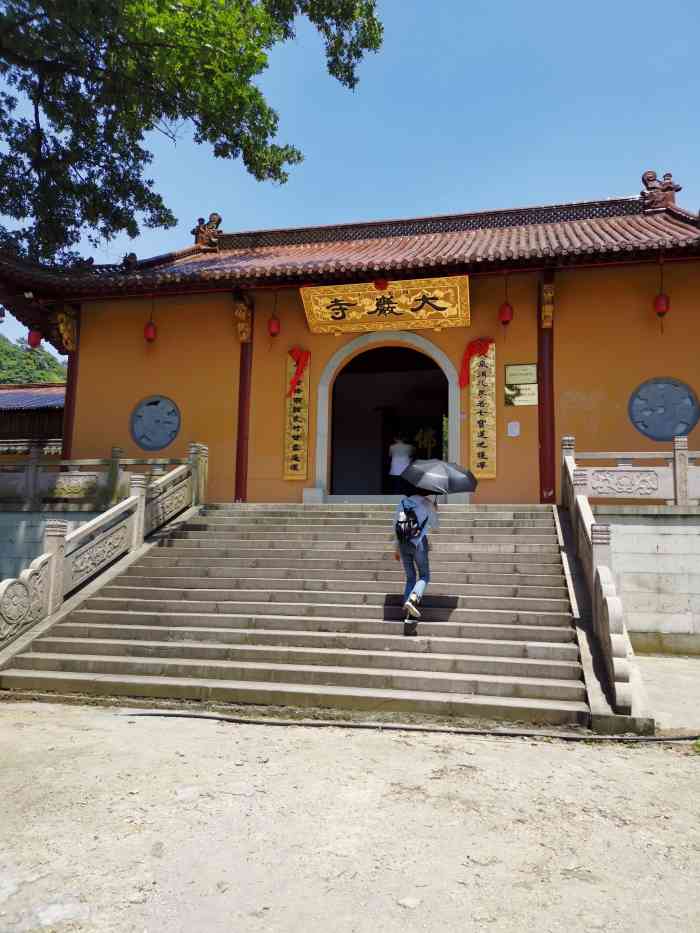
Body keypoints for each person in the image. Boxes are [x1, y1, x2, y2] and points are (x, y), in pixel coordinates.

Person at [393, 486, 439, 634]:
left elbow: (395, 525)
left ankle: (409, 613)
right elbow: (436, 525)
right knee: (424, 575)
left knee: (410, 577)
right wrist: (434, 509)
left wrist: (396, 548)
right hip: (418, 543)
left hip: (403, 544)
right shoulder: (426, 503)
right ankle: (413, 598)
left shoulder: (403, 502)